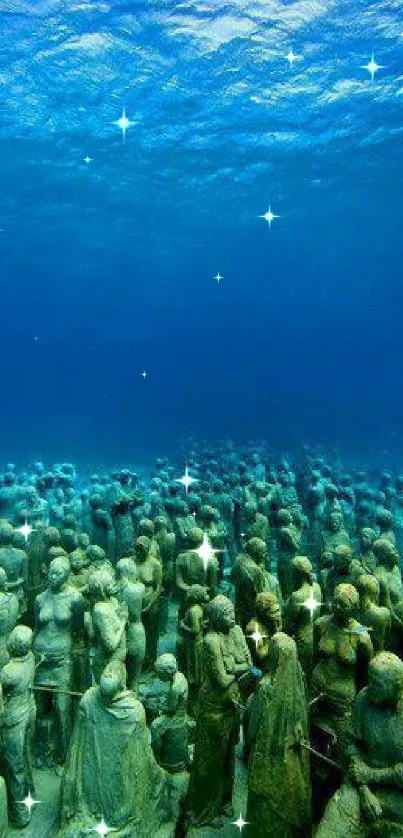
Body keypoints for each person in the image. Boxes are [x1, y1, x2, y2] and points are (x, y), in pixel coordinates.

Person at [59, 660, 167, 838]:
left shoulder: (88, 700)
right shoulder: (134, 710)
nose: (108, 670)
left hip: (91, 774)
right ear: (122, 684)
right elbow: (141, 756)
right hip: (120, 784)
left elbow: (79, 743)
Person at [317, 653, 403, 837]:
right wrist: (364, 790)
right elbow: (351, 746)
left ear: (397, 687)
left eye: (377, 684)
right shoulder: (364, 698)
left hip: (397, 793)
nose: (370, 687)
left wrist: (371, 775)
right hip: (361, 785)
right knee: (330, 829)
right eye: (369, 680)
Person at [184, 595, 252, 828]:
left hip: (231, 706)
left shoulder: (237, 632)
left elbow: (249, 663)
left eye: (233, 613)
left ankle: (225, 800)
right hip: (212, 709)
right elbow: (222, 680)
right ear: (214, 618)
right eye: (227, 615)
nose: (232, 618)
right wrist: (238, 667)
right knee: (210, 762)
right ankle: (206, 809)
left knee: (228, 758)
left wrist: (234, 666)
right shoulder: (210, 641)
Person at [246, 632, 311, 838]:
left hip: (266, 758)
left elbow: (252, 730)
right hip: (291, 757)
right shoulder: (298, 682)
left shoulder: (265, 687)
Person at [33, 556, 84, 765]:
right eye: (51, 572)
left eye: (58, 574)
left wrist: (75, 657)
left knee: (62, 708)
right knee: (39, 709)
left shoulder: (75, 598)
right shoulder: (39, 599)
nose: (52, 577)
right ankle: (41, 751)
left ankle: (64, 754)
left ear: (67, 575)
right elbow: (37, 627)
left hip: (62, 660)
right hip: (40, 660)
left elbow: (79, 631)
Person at [0, 626, 36, 827]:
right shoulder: (30, 657)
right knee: (26, 759)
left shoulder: (7, 672)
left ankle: (20, 814)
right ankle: (31, 799)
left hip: (13, 721)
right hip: (29, 711)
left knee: (14, 767)